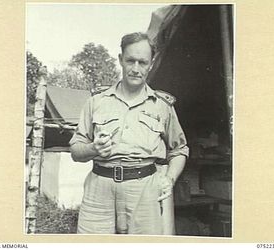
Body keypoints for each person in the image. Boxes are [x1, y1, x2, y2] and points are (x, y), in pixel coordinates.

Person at [69, 32, 189, 234]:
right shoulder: (96, 102)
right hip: (99, 191)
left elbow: (180, 150)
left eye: (142, 62)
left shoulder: (162, 106)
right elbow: (75, 150)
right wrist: (92, 148)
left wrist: (169, 179)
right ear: (120, 60)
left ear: (151, 64)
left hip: (144, 191)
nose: (135, 69)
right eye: (130, 61)